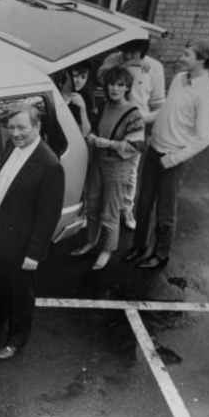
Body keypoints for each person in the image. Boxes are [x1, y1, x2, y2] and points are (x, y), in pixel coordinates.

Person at [125, 40, 209, 269]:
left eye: (187, 54)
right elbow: (167, 109)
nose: (181, 57)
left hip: (173, 159)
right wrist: (145, 118)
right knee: (144, 204)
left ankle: (160, 254)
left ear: (201, 60)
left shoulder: (206, 94)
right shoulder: (179, 79)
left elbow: (205, 137)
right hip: (154, 150)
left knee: (165, 211)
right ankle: (139, 248)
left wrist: (173, 159)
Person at [0, 106, 64, 360]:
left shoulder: (49, 164)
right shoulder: (11, 147)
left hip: (22, 244)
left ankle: (16, 339)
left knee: (20, 294)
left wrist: (34, 254)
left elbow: (48, 215)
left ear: (37, 127)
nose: (15, 133)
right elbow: (1, 187)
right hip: (0, 234)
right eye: (12, 127)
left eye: (21, 128)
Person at [71, 67, 144, 270]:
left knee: (111, 211)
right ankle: (91, 241)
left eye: (120, 85)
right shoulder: (103, 106)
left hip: (117, 168)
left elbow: (136, 146)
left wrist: (106, 143)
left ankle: (107, 249)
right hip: (98, 163)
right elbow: (89, 132)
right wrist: (84, 111)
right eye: (112, 84)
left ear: (127, 87)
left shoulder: (133, 113)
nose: (115, 88)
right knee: (92, 204)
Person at [98, 39, 166, 229]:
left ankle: (126, 209)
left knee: (130, 172)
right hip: (110, 119)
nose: (126, 56)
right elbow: (101, 77)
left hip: (136, 126)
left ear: (143, 52)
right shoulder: (114, 59)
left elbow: (159, 105)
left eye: (133, 53)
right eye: (124, 52)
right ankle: (100, 209)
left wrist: (142, 120)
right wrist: (127, 64)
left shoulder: (155, 67)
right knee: (102, 166)